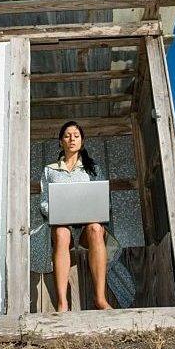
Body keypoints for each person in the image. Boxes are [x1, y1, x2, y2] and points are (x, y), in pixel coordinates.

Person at [39, 121, 113, 311]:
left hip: (87, 230)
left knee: (96, 228)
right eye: (67, 135)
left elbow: (103, 199)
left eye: (76, 135)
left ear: (82, 141)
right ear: (60, 141)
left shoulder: (93, 168)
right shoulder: (50, 170)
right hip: (65, 228)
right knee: (61, 233)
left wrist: (95, 212)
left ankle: (100, 299)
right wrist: (57, 214)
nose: (72, 139)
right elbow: (44, 202)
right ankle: (62, 302)